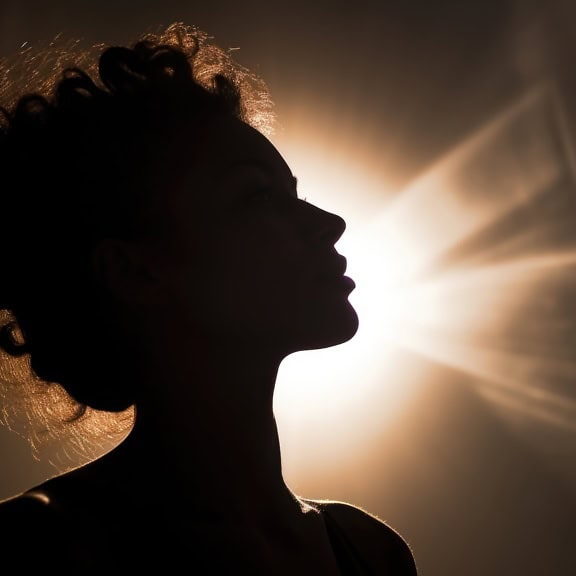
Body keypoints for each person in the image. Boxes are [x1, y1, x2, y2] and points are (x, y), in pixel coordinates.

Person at [0, 21, 418, 574]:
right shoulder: (37, 547)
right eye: (257, 196)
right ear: (134, 271)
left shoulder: (370, 551)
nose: (329, 222)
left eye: (296, 194)